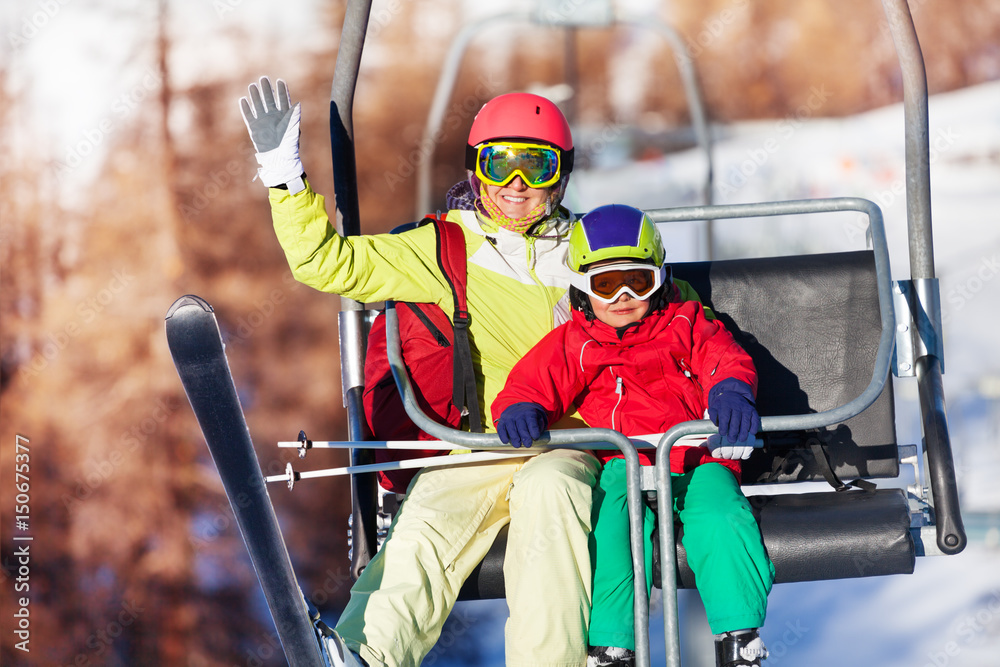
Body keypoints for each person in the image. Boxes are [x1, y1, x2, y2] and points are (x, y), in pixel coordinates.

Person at [240, 77, 707, 667]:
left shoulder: (591, 243)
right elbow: (325, 262)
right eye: (499, 165)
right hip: (485, 441)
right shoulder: (442, 246)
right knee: (432, 522)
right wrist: (284, 176)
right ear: (476, 169)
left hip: (578, 439)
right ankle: (367, 654)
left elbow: (678, 310)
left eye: (535, 167)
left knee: (553, 499)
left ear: (560, 175)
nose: (516, 186)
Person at [492, 205, 776, 667]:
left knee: (722, 516)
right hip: (621, 464)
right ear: (582, 288)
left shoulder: (685, 323)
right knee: (612, 531)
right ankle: (612, 643)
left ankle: (739, 636)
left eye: (638, 282)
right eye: (606, 284)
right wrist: (521, 408)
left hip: (697, 457)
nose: (623, 296)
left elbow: (723, 358)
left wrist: (729, 393)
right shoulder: (576, 342)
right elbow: (534, 381)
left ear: (660, 280)